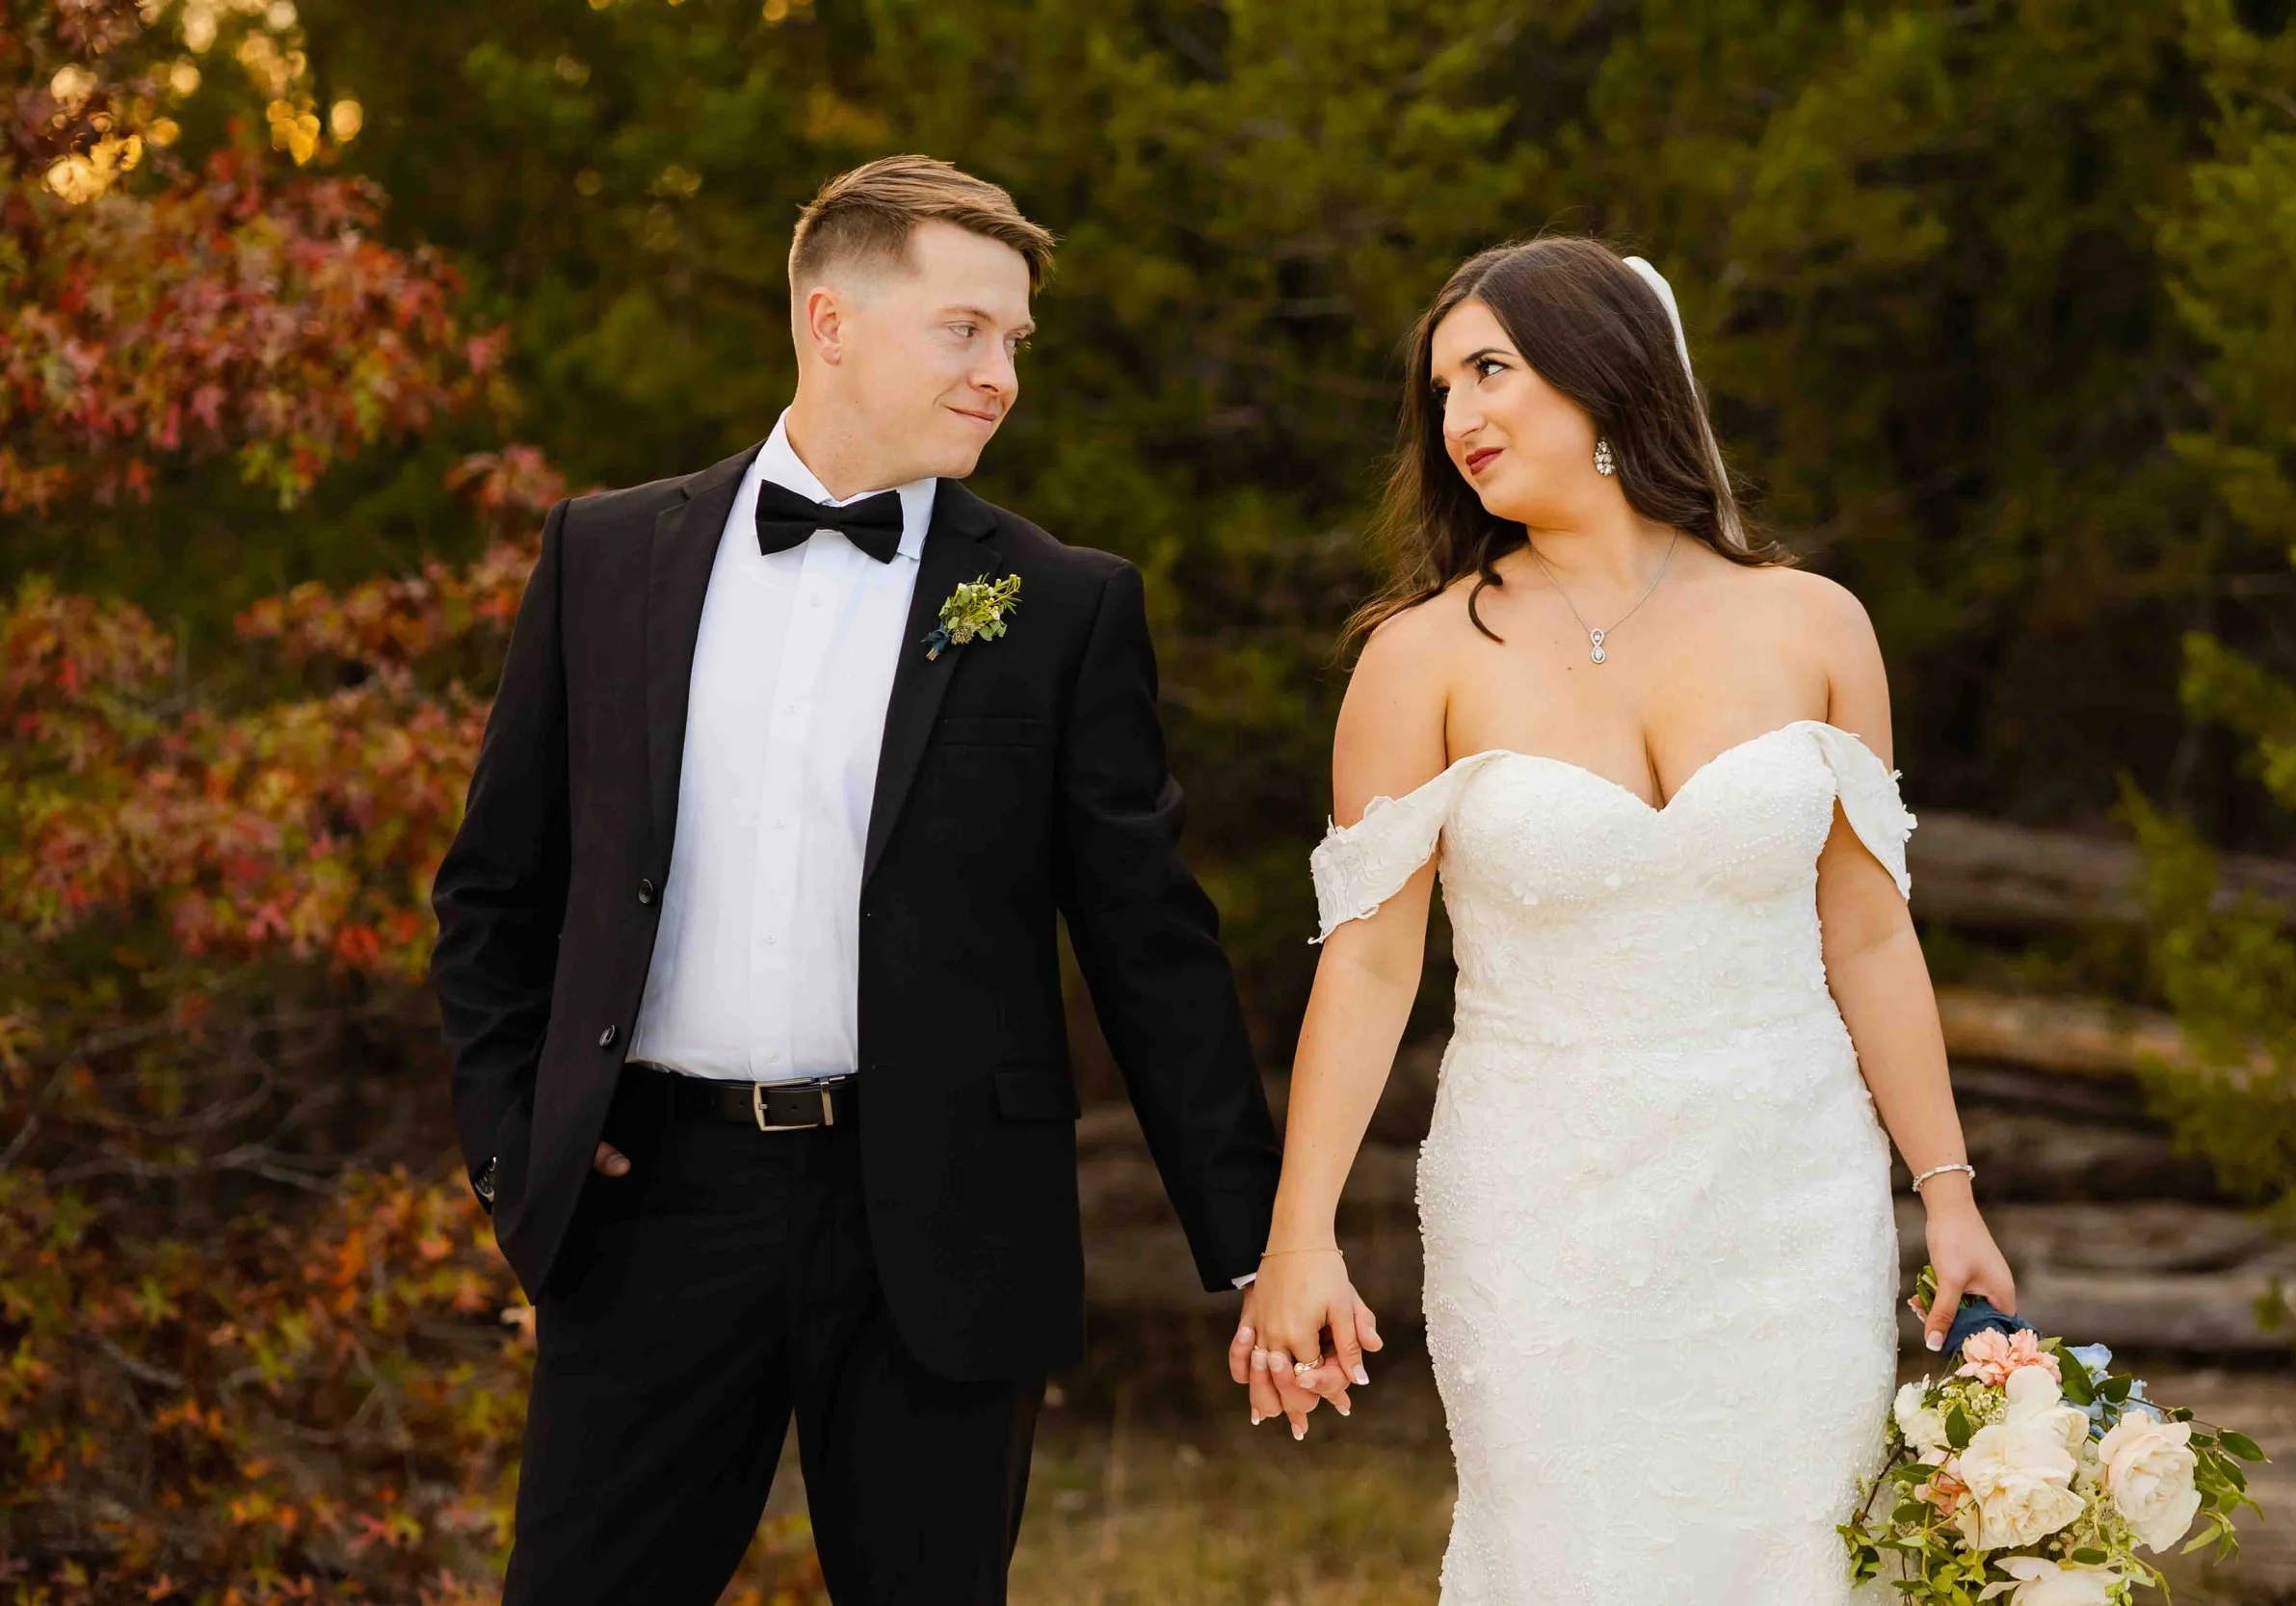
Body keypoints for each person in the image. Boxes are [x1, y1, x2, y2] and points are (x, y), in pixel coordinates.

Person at [429, 154, 1283, 1605]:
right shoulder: (606, 555)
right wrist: (524, 1150)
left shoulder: (1065, 603)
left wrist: (1262, 1247)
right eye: (965, 330)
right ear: (831, 322)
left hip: (946, 1222)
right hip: (654, 1212)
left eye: (1016, 340)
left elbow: (1152, 945)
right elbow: (492, 893)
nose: (1002, 374)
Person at [1230, 236, 2018, 1601]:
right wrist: (1298, 1236)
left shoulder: (1817, 625)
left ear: (1608, 372)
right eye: (1442, 392)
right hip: (1544, 1202)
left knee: (1804, 1556)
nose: (1460, 417)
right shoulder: (1420, 657)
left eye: (1493, 370)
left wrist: (1948, 1192)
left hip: (1792, 1198)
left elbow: (1871, 933)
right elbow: (1367, 966)